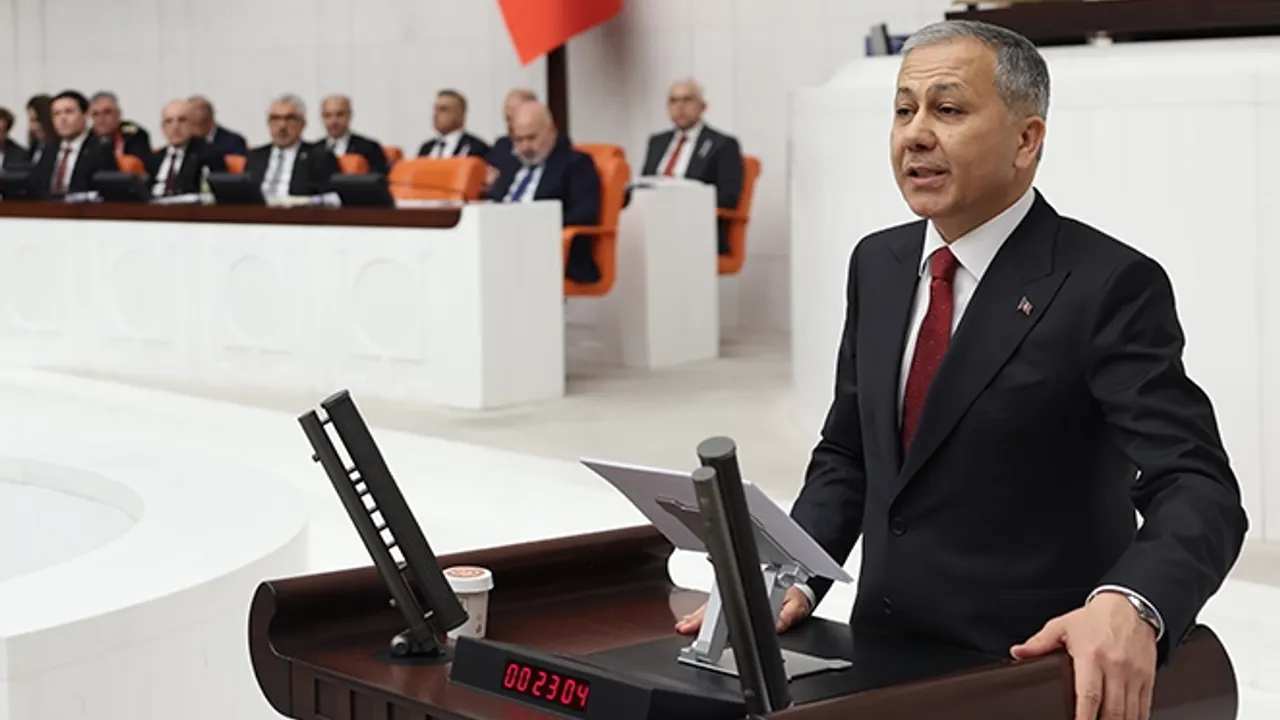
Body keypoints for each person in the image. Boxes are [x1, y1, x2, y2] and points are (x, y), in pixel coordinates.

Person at [675, 19, 1246, 720]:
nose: (915, 134)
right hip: (877, 664)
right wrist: (788, 576)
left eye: (947, 109)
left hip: (1024, 675)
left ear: (1026, 140)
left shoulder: (1106, 285)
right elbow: (849, 454)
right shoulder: (879, 264)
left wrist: (1132, 603)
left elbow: (1197, 485)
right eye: (903, 110)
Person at [486, 101, 602, 284]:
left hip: (545, 249)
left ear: (551, 131)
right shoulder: (512, 164)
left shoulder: (576, 163)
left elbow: (586, 213)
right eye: (518, 140)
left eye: (531, 138)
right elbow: (495, 201)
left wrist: (535, 225)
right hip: (502, 243)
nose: (525, 147)